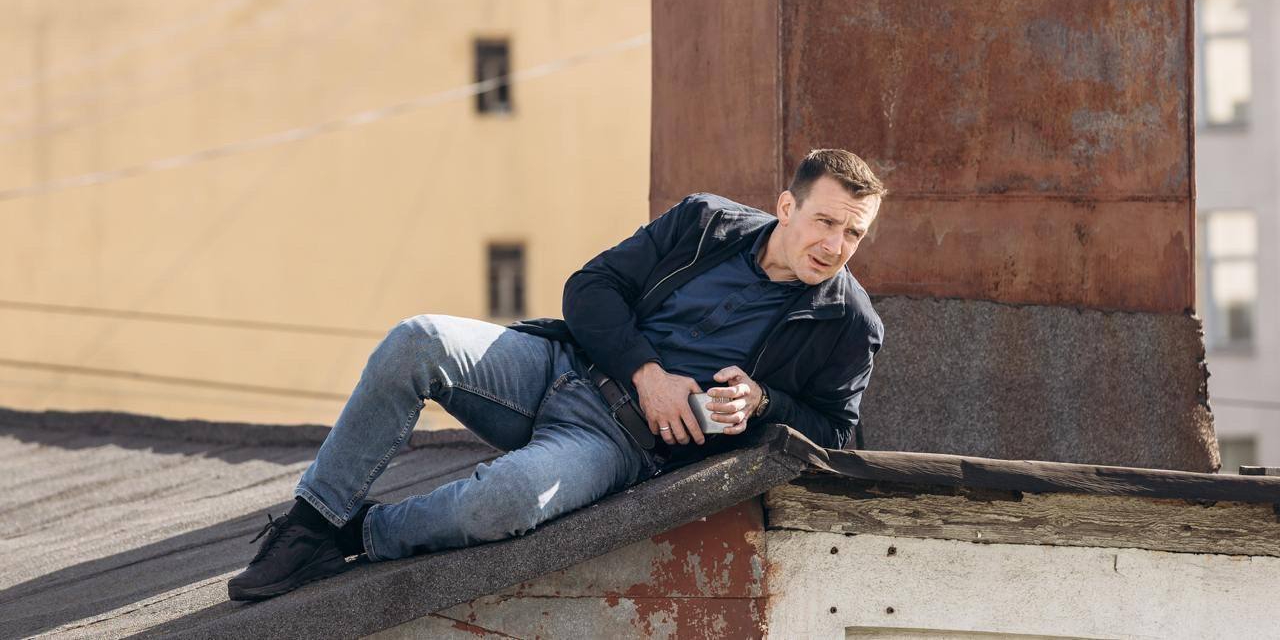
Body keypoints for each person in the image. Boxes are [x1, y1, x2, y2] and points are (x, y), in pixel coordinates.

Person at [227, 148, 886, 601]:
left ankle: (358, 532)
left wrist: (764, 402)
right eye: (825, 222)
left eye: (853, 234)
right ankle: (311, 521)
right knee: (418, 339)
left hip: (619, 443)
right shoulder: (704, 222)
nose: (834, 246)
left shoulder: (850, 323)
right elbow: (590, 288)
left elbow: (833, 429)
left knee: (506, 501)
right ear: (787, 206)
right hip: (560, 365)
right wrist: (648, 372)